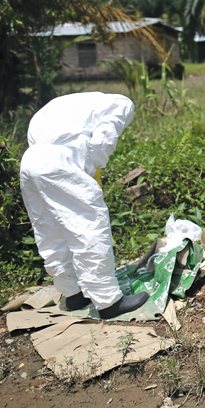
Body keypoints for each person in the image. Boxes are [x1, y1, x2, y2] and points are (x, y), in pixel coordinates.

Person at [20, 92, 150, 320]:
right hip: (61, 163)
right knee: (89, 224)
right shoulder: (122, 104)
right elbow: (104, 140)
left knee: (48, 227)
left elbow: (36, 139)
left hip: (30, 162)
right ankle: (108, 301)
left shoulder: (58, 105)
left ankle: (72, 293)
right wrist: (90, 169)